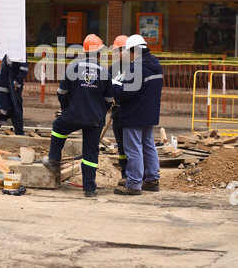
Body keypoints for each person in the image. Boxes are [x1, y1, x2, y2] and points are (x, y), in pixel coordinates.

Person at [43, 34, 113, 197]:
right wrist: (101, 112)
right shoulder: (104, 72)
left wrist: (65, 108)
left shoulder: (73, 68)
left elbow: (62, 92)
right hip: (95, 118)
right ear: (99, 53)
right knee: (90, 153)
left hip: (73, 114)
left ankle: (54, 160)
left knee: (58, 127)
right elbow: (109, 99)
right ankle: (89, 188)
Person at [112, 34, 163, 195]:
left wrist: (115, 85)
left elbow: (125, 93)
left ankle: (133, 184)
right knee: (148, 146)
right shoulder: (156, 64)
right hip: (149, 114)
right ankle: (152, 179)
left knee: (133, 149)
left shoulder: (136, 67)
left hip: (134, 115)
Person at [0, 55, 28, 136]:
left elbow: (24, 70)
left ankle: (19, 133)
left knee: (15, 109)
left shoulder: (19, 52)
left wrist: (15, 84)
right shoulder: (8, 53)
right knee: (3, 108)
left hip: (13, 89)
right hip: (5, 88)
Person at [109, 35, 129, 185]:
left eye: (119, 50)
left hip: (130, 113)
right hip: (116, 113)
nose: (117, 53)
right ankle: (125, 174)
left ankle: (136, 175)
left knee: (133, 147)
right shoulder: (113, 68)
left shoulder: (134, 67)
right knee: (121, 147)